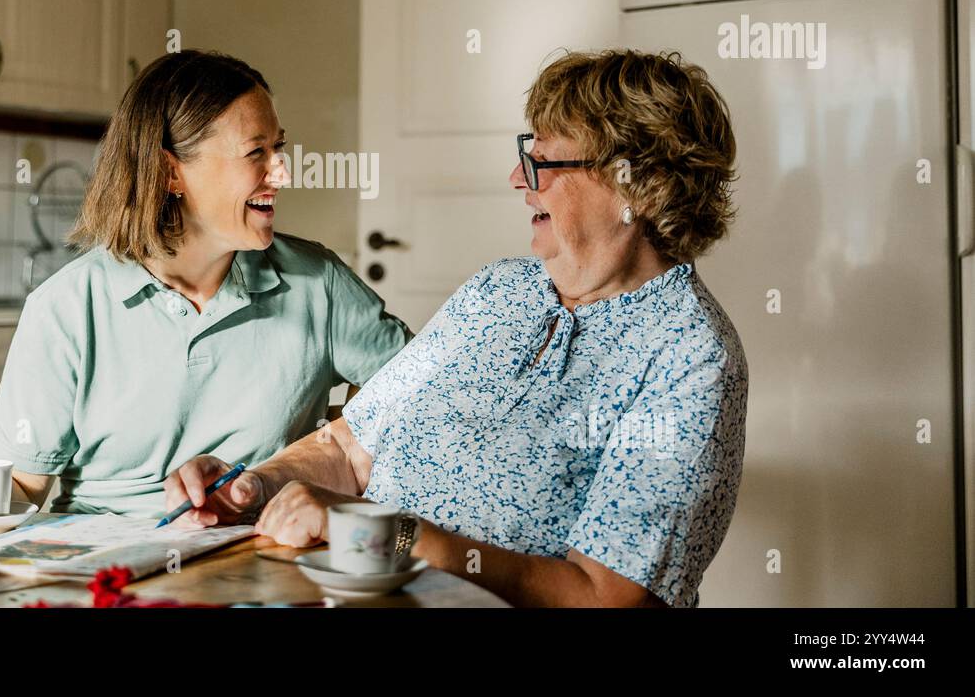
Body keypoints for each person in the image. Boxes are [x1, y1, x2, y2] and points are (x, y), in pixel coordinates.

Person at [165, 48, 748, 608]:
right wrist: (253, 488)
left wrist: (380, 533)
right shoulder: (499, 289)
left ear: (634, 184)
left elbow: (604, 596)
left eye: (542, 161)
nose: (519, 179)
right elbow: (350, 446)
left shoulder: (689, 353)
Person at [0, 50, 410, 523]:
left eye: (280, 148)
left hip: (264, 553)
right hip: (105, 564)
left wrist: (331, 447)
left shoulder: (317, 282)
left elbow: (421, 394)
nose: (283, 173)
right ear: (171, 173)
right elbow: (26, 492)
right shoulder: (65, 308)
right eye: (257, 153)